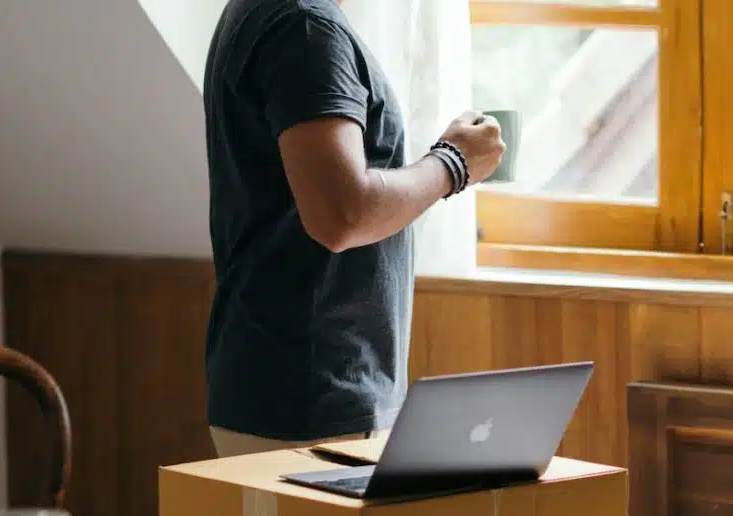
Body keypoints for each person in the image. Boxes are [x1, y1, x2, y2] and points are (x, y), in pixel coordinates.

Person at [203, 0, 506, 457]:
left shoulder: (268, 13)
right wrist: (454, 163)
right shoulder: (305, 28)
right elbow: (342, 215)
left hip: (288, 388)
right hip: (313, 398)